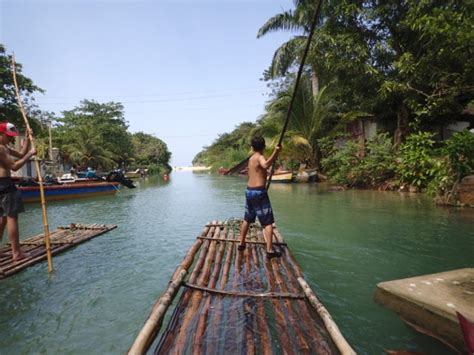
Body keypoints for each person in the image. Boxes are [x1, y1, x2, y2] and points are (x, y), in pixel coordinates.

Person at [238, 136, 282, 258]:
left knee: (247, 218)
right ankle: (269, 250)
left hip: (249, 191)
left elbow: (257, 171)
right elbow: (266, 164)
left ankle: (241, 244)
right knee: (268, 222)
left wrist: (265, 174)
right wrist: (276, 151)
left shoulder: (251, 158)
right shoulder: (259, 157)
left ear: (252, 147)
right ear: (264, 147)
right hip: (259, 193)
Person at [0, 122, 36, 260]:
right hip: (5, 185)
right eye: (8, 136)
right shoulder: (1, 149)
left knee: (2, 218)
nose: (10, 139)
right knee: (11, 216)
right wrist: (31, 154)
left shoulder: (5, 147)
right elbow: (15, 166)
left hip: (2, 185)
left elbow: (21, 154)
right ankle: (17, 253)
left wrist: (27, 139)